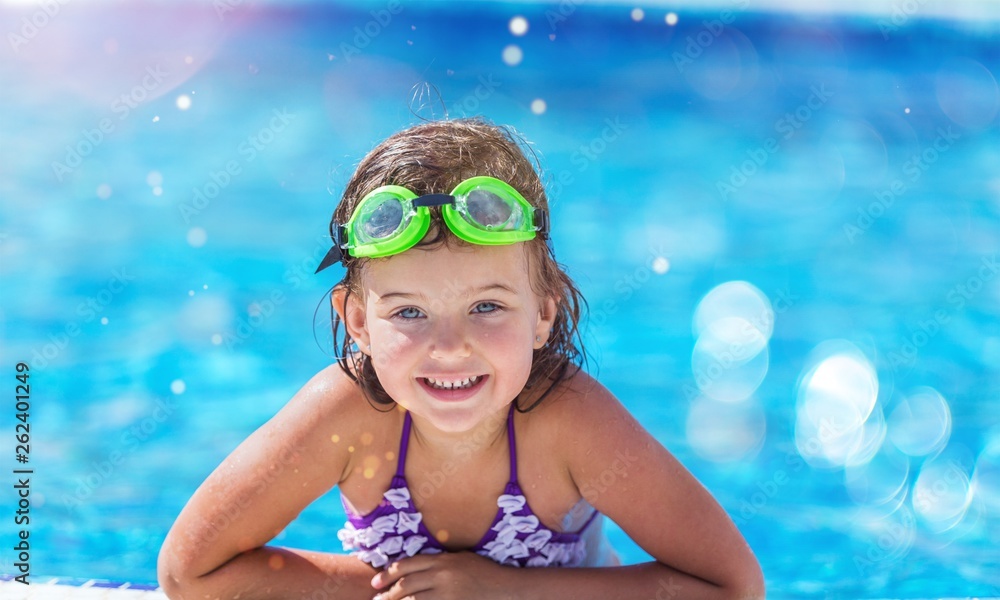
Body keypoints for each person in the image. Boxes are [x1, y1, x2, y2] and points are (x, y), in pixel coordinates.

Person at [157, 118, 765, 599]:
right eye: (410, 313)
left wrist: (509, 594)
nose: (449, 347)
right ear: (359, 321)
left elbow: (731, 587)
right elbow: (189, 573)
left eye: (487, 307)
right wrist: (406, 591)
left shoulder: (568, 423)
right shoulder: (348, 415)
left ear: (544, 313)